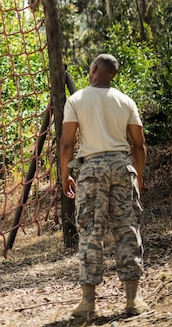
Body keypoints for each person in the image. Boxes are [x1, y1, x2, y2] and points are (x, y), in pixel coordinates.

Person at [60, 53, 149, 318]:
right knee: (127, 229)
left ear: (94, 69)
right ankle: (133, 300)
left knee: (90, 231)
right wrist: (139, 175)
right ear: (113, 74)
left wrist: (65, 174)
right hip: (123, 167)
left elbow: (66, 144)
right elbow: (139, 144)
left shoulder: (76, 100)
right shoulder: (126, 101)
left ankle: (89, 303)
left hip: (92, 169)